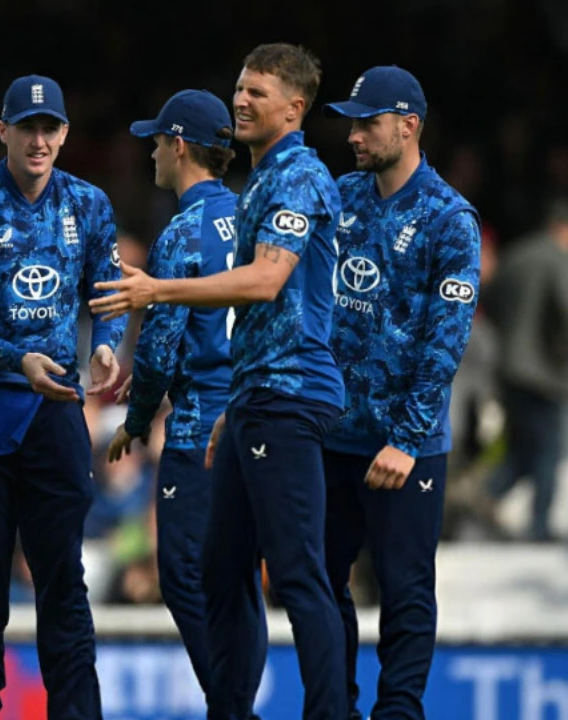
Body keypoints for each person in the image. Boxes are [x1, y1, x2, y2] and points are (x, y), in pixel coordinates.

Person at [91, 44, 346, 719]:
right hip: (245, 401)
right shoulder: (253, 190)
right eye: (239, 89)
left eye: (257, 92)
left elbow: (263, 284)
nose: (241, 100)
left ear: (294, 108)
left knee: (275, 575)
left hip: (272, 397)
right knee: (225, 572)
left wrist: (156, 300)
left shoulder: (286, 180)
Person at [0, 74, 124, 720]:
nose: (38, 140)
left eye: (49, 128)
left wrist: (106, 345)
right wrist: (16, 359)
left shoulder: (89, 203)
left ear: (64, 134)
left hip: (55, 406)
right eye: (27, 128)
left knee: (63, 578)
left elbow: (108, 288)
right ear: (3, 132)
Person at [322, 65, 482, 719]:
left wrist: (407, 439)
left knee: (405, 589)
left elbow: (446, 342)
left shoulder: (450, 218)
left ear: (409, 126)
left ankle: (398, 714)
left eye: (368, 122)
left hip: (405, 449)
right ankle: (334, 708)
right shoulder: (340, 196)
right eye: (352, 123)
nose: (353, 135)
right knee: (320, 582)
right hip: (331, 435)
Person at [104, 89, 265, 706]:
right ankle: (235, 708)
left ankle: (232, 710)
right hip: (252, 421)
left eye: (156, 142)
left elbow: (159, 346)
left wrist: (138, 418)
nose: (151, 154)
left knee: (183, 574)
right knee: (240, 580)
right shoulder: (254, 216)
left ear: (177, 146)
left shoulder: (182, 233)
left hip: (200, 431)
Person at [484, 199, 568, 542]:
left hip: (506, 365)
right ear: (566, 229)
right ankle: (540, 524)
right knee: (548, 450)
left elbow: (491, 301)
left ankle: (481, 498)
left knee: (522, 448)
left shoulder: (516, 255)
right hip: (542, 372)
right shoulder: (561, 259)